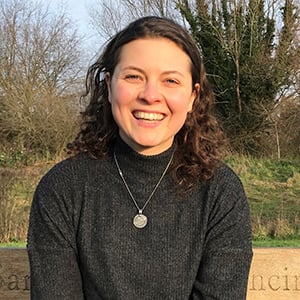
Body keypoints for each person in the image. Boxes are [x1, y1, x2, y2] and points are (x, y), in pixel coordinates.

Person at [27, 16, 253, 299]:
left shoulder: (220, 192)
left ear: (193, 96)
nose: (150, 95)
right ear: (109, 85)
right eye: (133, 76)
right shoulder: (62, 189)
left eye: (170, 80)